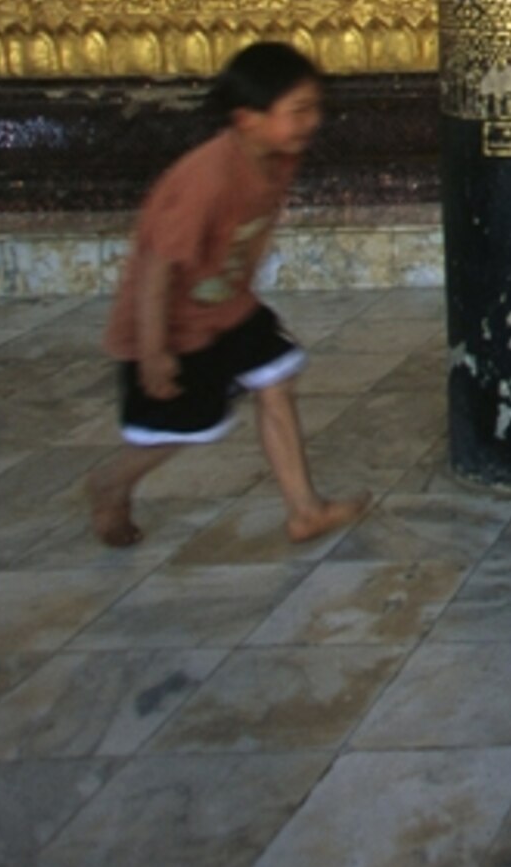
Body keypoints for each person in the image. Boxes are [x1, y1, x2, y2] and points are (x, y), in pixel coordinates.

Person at [82, 40, 368, 548]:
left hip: (227, 308)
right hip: (173, 323)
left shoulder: (276, 157)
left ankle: (305, 511)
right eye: (297, 111)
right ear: (247, 118)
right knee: (185, 427)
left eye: (314, 109)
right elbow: (157, 268)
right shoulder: (207, 176)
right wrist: (153, 350)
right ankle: (111, 482)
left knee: (276, 378)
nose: (311, 122)